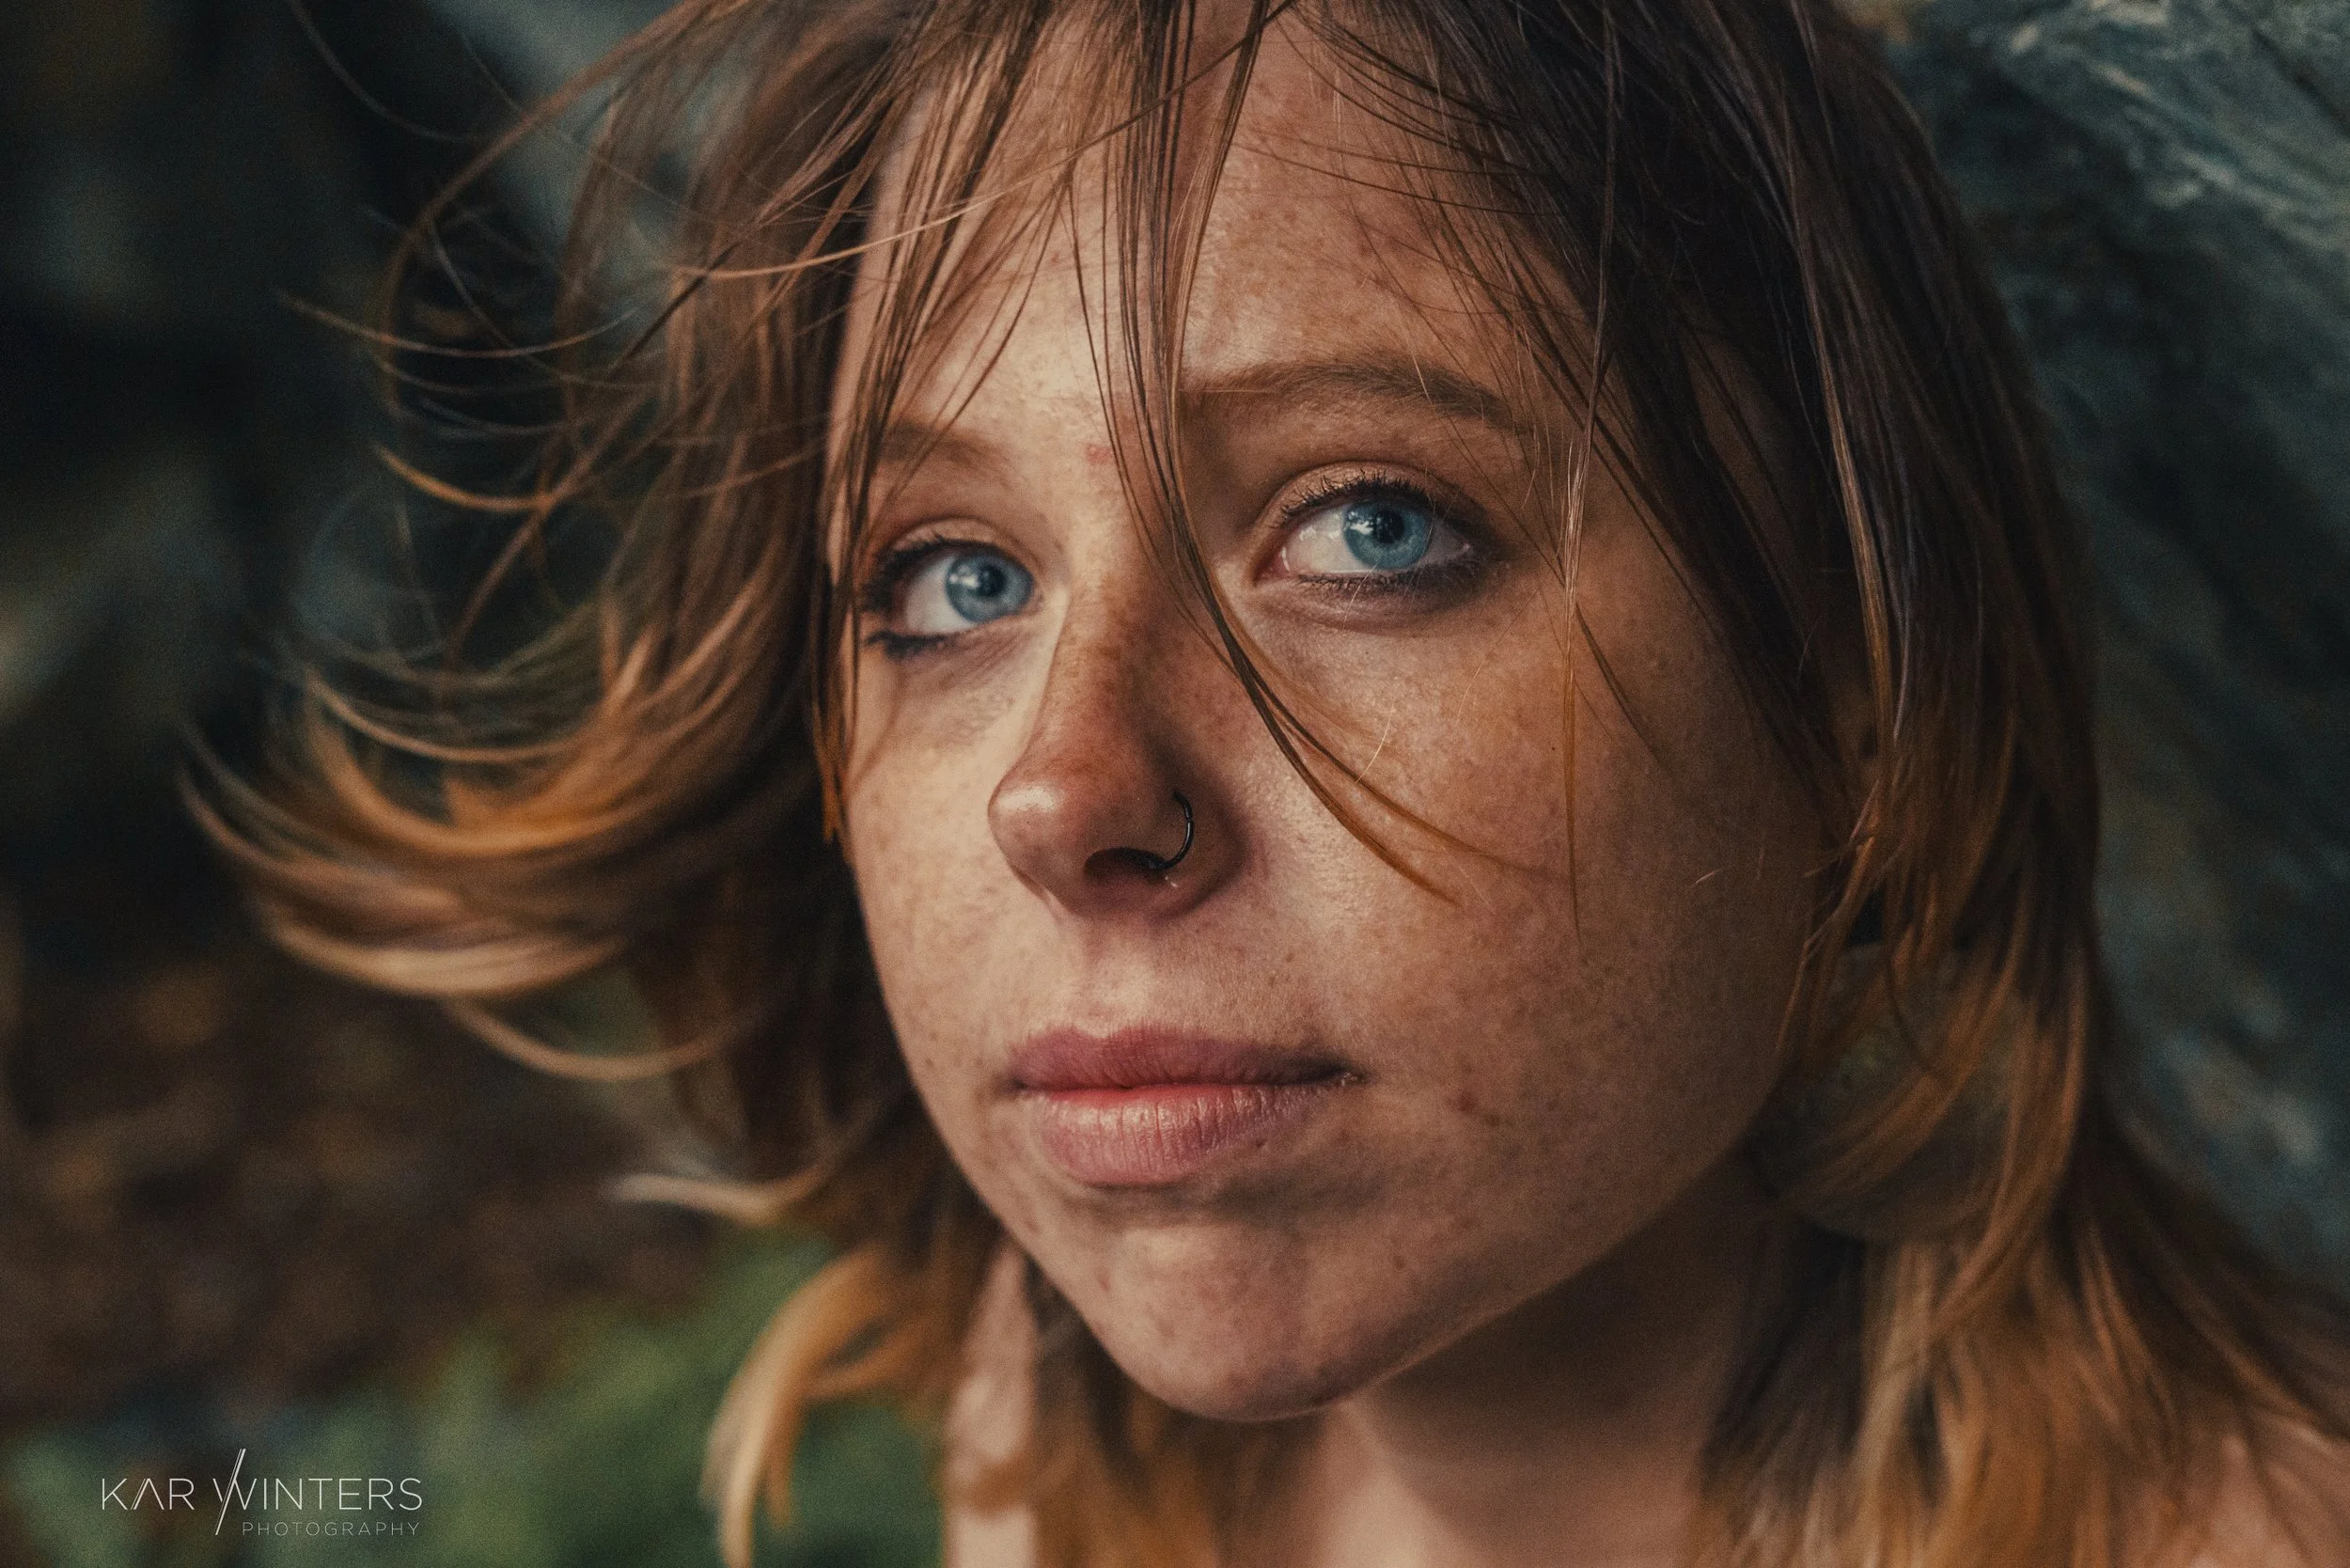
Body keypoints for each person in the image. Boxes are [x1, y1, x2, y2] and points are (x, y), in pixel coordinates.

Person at [201, 0, 2350, 1563]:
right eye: (951, 578)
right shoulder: (1051, 1459)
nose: (1064, 789)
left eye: (1369, 528)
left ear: (1857, 679)